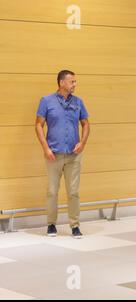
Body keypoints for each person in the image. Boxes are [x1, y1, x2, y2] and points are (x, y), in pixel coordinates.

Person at [35, 70, 90, 239]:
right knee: (52, 191)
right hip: (53, 154)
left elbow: (86, 124)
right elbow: (38, 125)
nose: (75, 84)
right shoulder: (46, 101)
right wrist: (45, 148)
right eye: (72, 81)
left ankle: (75, 225)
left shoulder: (78, 102)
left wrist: (82, 143)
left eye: (75, 81)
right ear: (61, 83)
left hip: (73, 155)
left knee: (73, 191)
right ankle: (51, 224)